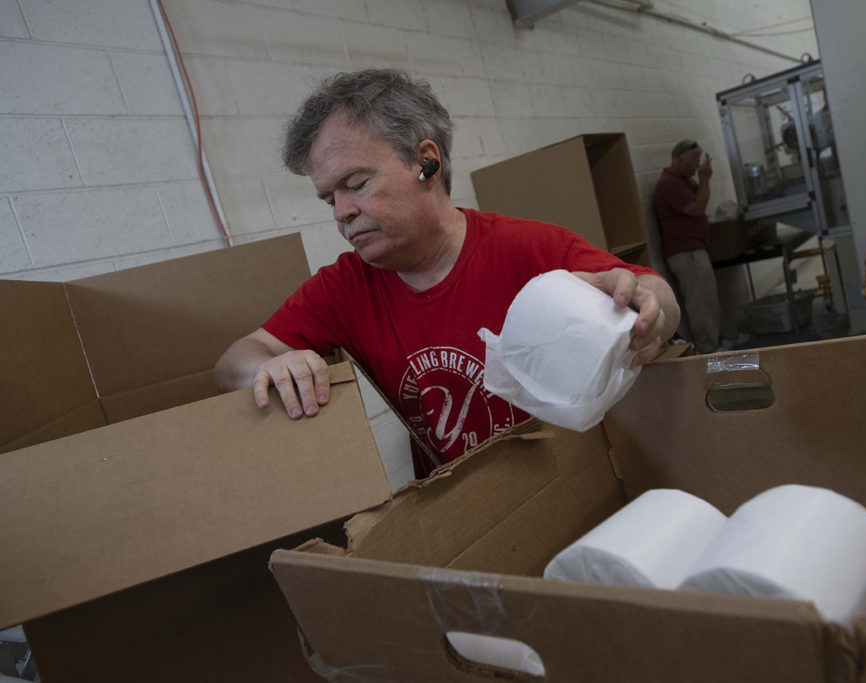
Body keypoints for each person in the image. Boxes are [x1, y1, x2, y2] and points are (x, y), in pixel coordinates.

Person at [213, 69, 679, 477]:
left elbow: (654, 292)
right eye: (328, 199)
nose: (342, 212)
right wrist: (268, 365)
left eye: (356, 184)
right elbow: (233, 362)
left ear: (426, 163)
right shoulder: (345, 286)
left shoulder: (528, 247)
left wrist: (647, 309)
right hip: (455, 508)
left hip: (566, 481)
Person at [652, 139, 721, 355]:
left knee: (707, 300)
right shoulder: (669, 184)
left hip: (694, 249)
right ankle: (707, 350)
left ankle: (711, 344)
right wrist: (705, 179)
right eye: (692, 162)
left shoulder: (685, 181)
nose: (695, 167)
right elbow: (698, 208)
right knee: (700, 303)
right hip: (685, 253)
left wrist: (700, 179)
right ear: (678, 159)